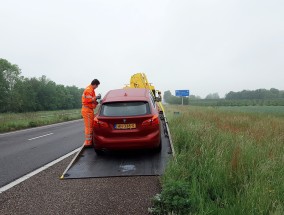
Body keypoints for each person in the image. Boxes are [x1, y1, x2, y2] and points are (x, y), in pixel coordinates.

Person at [81, 79, 101, 147]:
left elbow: (92, 101)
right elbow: (89, 100)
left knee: (90, 126)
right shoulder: (89, 90)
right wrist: (96, 97)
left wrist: (96, 101)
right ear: (95, 84)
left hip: (89, 110)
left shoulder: (91, 90)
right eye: (97, 86)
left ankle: (90, 141)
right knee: (89, 127)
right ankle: (88, 142)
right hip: (87, 110)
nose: (97, 87)